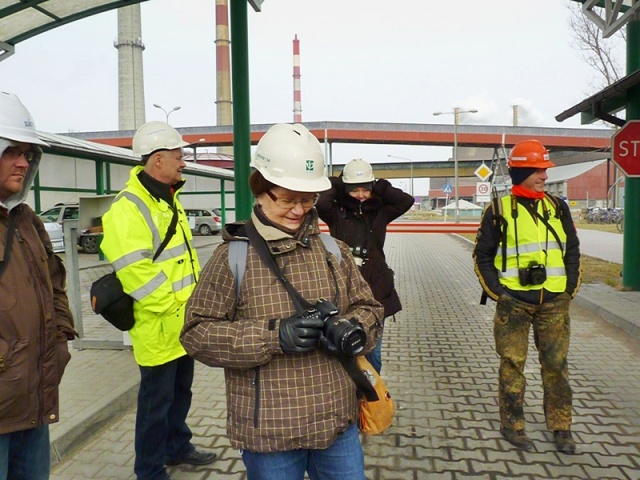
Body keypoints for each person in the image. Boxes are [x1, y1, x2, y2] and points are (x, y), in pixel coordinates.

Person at [181, 123, 383, 480]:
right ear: (260, 191)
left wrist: (355, 327)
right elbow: (196, 333)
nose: (299, 210)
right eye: (287, 199)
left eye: (307, 200)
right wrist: (273, 337)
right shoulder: (233, 258)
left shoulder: (333, 249)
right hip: (270, 434)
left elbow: (371, 309)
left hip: (337, 425)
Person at [100, 121, 217, 480]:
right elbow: (135, 270)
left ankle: (177, 447)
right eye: (179, 156)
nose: (184, 162)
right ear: (159, 160)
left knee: (181, 393)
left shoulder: (168, 199)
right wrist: (172, 307)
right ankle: (149, 470)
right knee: (155, 404)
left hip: (183, 323)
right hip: (158, 325)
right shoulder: (128, 207)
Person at [472, 139, 581, 454]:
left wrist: (569, 289)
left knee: (557, 365)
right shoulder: (499, 210)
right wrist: (500, 294)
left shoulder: (558, 207)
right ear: (520, 172)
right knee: (512, 364)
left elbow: (572, 249)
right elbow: (482, 256)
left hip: (554, 303)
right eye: (538, 170)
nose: (544, 176)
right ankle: (513, 425)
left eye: (544, 170)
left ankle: (562, 428)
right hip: (515, 304)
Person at [0, 91, 76, 479]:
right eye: (12, 151)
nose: (22, 162)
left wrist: (59, 339)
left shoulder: (26, 220)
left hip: (33, 396)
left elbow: (55, 284)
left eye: (28, 153)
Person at [316, 158, 413, 373]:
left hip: (377, 288)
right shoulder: (336, 212)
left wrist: (378, 184)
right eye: (354, 190)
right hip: (344, 288)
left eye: (365, 189)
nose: (361, 195)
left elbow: (406, 200)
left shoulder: (380, 211)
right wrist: (338, 183)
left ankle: (371, 399)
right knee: (346, 348)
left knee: (373, 355)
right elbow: (321, 202)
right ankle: (350, 395)